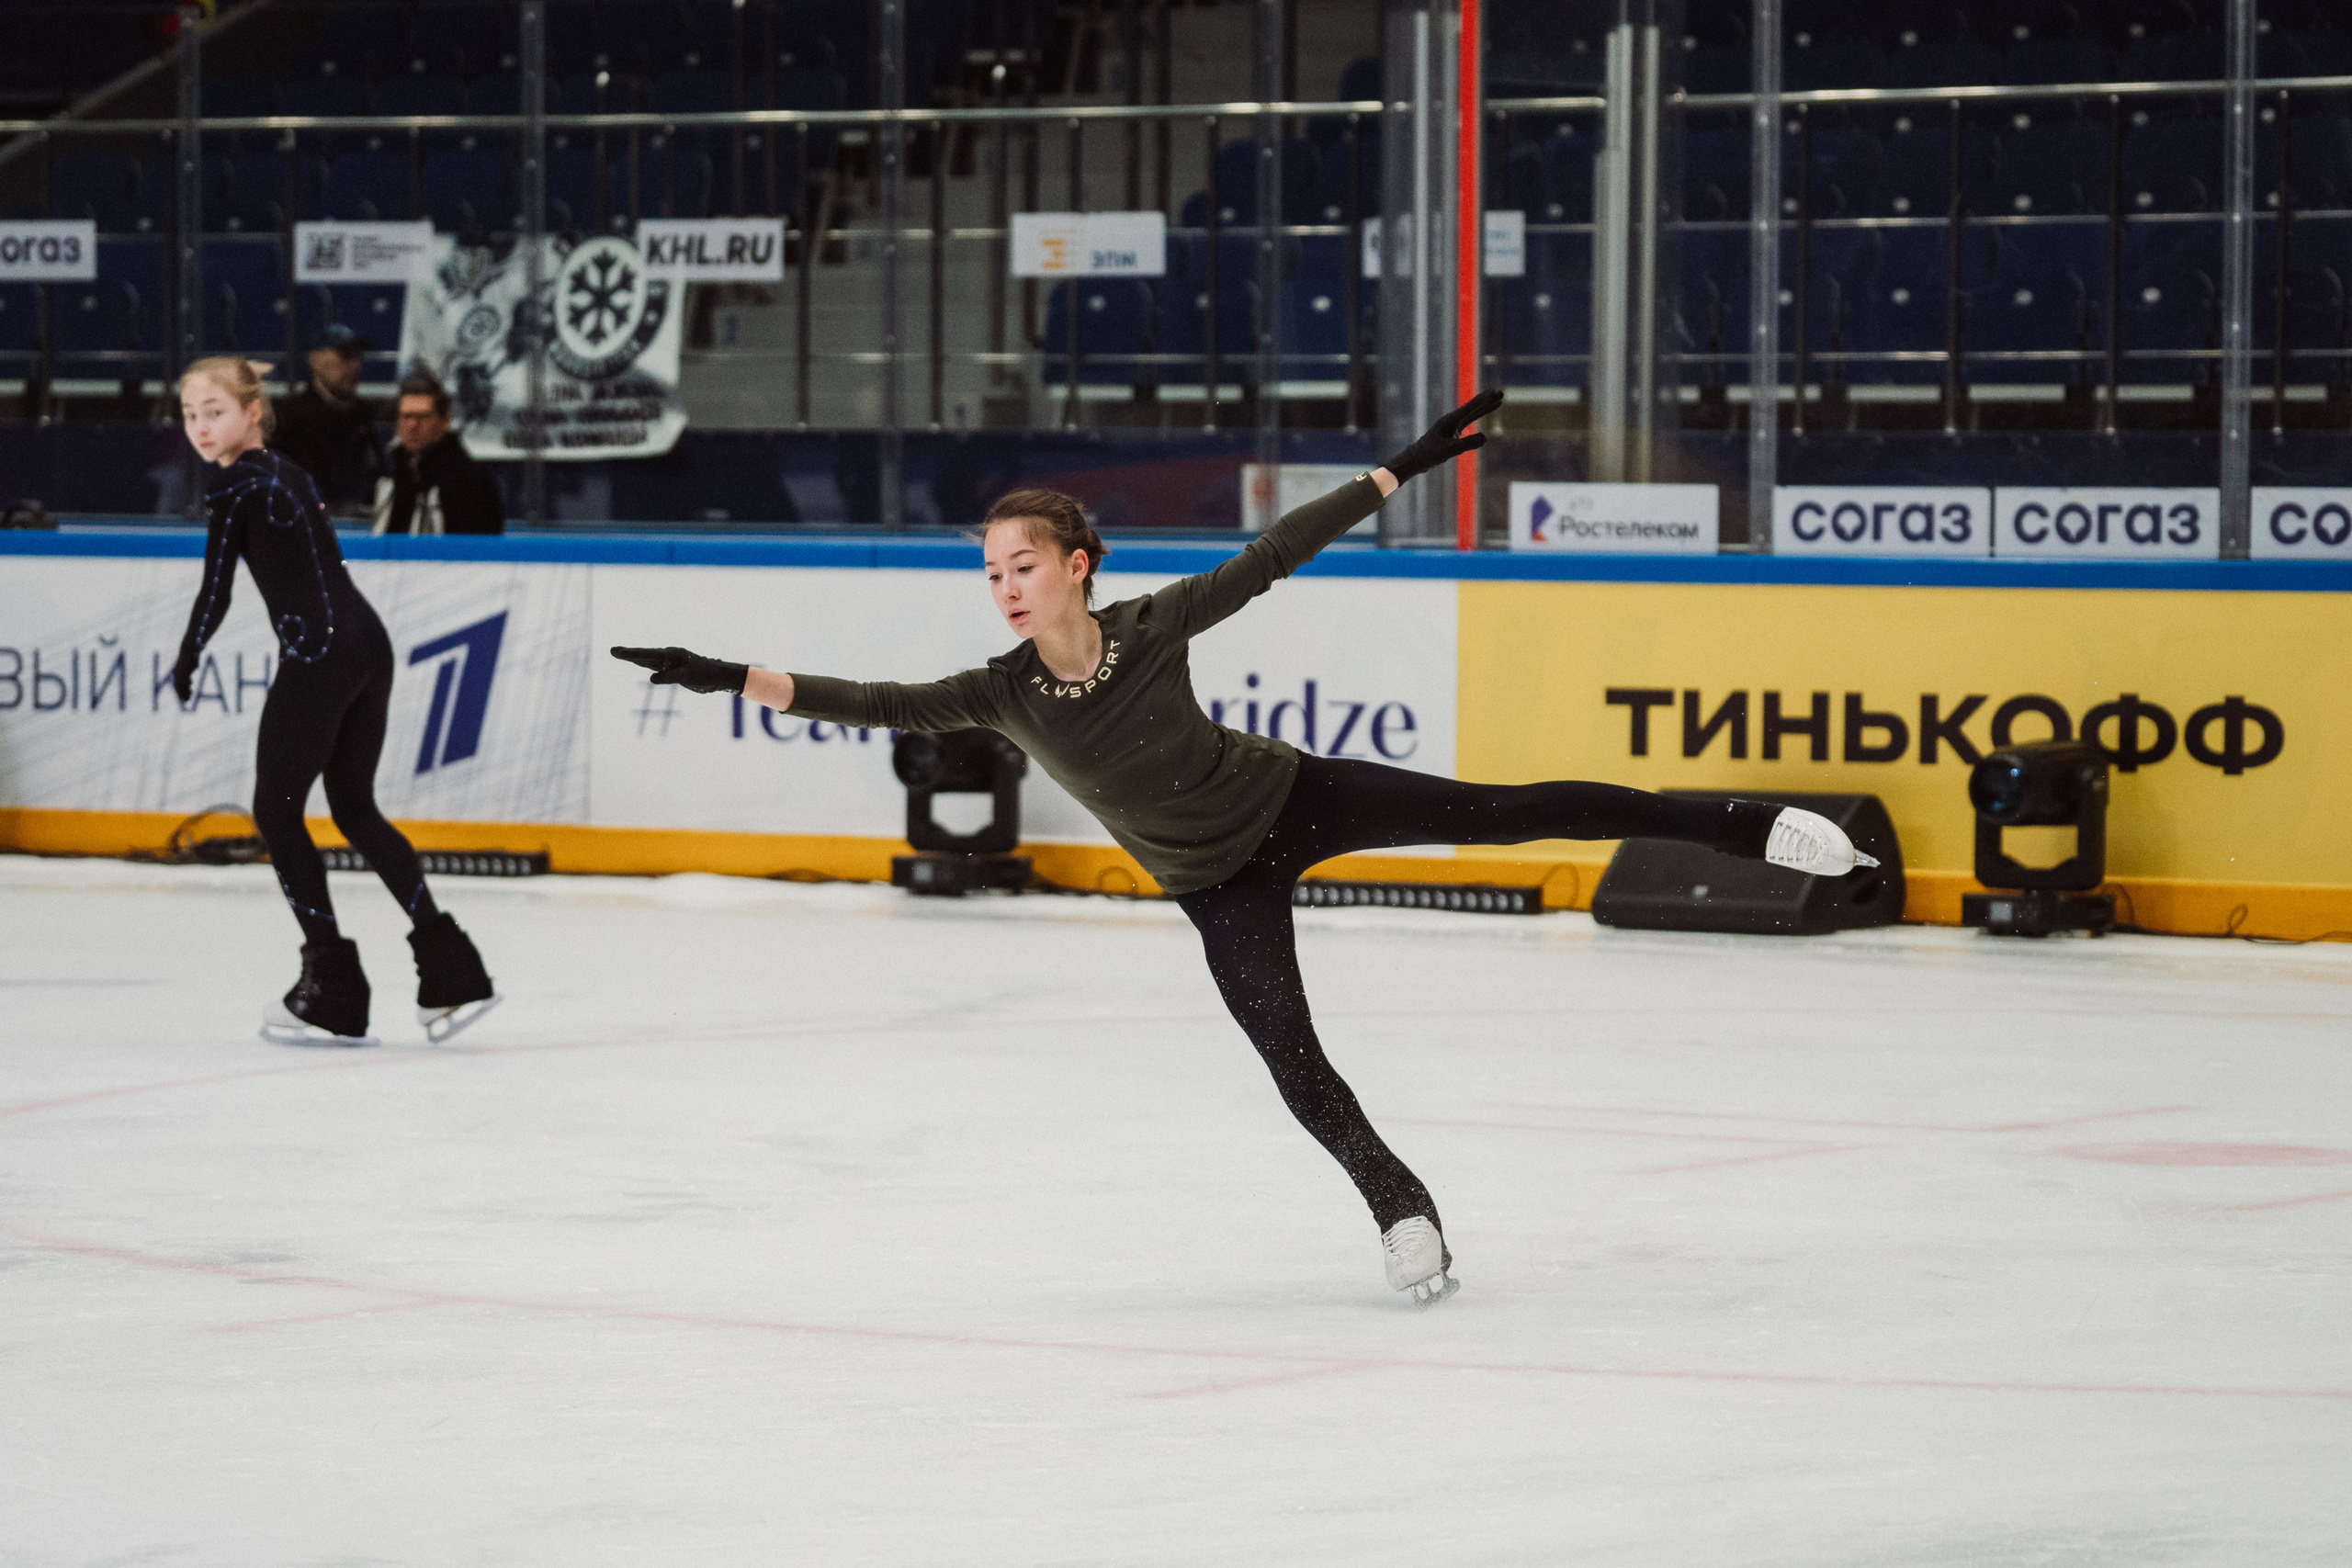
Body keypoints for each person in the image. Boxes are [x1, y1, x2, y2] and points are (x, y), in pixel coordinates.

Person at [612, 389, 1874, 1303]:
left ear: (1077, 566)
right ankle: (1403, 1208)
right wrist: (727, 672)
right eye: (991, 569)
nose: (1003, 584)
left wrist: (1395, 472)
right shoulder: (997, 690)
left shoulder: (1153, 626)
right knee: (1289, 1051)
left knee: (1508, 804)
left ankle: (1751, 824)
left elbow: (1273, 554)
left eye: (1023, 563)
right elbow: (868, 698)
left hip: (1295, 797)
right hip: (1216, 882)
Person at [174, 355, 500, 1047]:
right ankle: (451, 972)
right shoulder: (290, 472)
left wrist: (189, 652)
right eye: (190, 415)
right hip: (366, 645)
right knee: (353, 808)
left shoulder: (235, 485)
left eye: (215, 412)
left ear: (252, 412)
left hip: (321, 657)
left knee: (276, 810)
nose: (202, 428)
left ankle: (333, 991)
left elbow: (216, 588)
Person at [374, 367, 505, 536]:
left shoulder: (470, 480)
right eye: (406, 416)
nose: (412, 425)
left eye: (422, 417)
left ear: (444, 421)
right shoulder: (391, 474)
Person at [268, 324, 384, 513]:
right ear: (315, 359)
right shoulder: (289, 416)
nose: (356, 364)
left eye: (358, 356)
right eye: (345, 355)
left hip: (358, 522)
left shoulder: (363, 414)